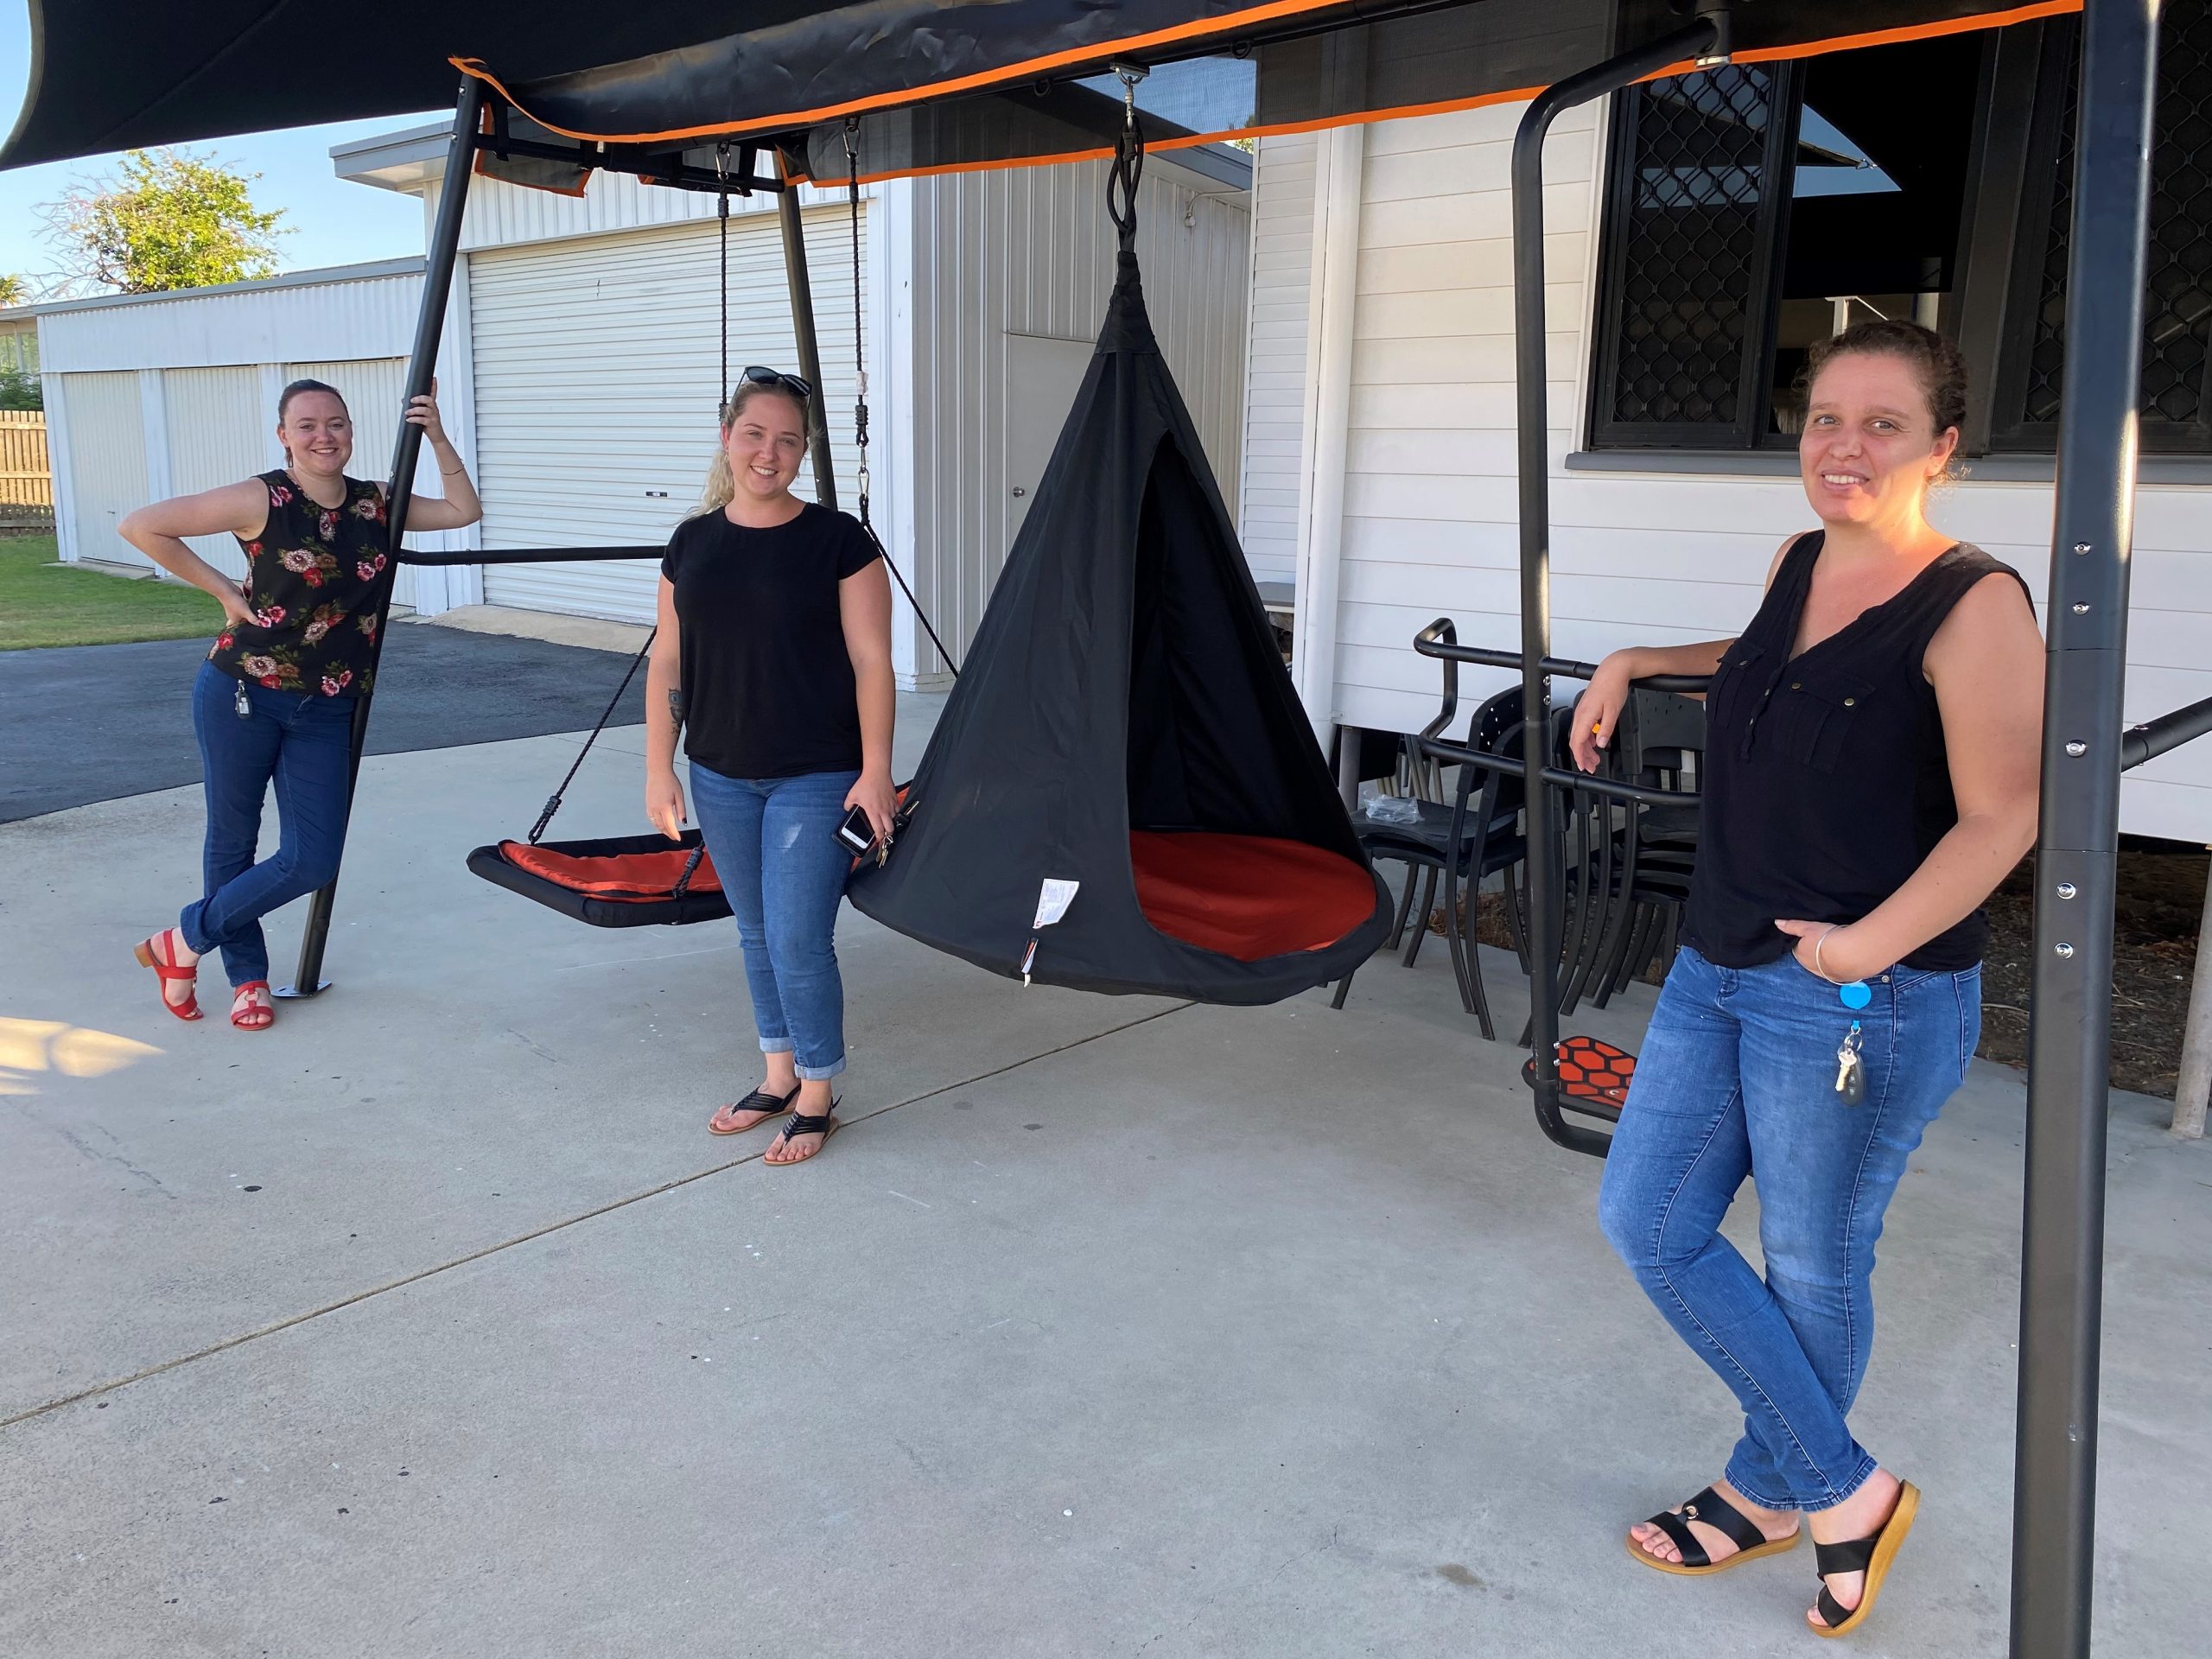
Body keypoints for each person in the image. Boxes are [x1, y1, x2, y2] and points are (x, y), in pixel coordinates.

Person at [1573, 321, 2042, 1638]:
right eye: (1827, 417)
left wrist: (1855, 948)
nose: (1845, 446)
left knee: (1812, 1263)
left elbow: (2004, 817)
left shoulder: (1976, 605)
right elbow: (1762, 663)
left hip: (1856, 998)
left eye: (1884, 424)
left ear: (1944, 447)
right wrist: (1634, 661)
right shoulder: (1799, 558)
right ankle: (1844, 1489)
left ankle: (1767, 1494)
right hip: (1718, 960)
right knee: (1649, 1221)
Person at [120, 380, 480, 1030]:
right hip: (242, 692)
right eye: (307, 425)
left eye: (336, 423)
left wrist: (435, 434)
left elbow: (462, 510)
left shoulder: (377, 502)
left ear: (352, 431)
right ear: (283, 435)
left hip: (328, 705)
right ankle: (248, 981)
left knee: (313, 857)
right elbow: (141, 525)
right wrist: (223, 590)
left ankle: (183, 942)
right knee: (233, 839)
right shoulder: (261, 498)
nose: (324, 436)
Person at [645, 367, 896, 1166]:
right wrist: (659, 767)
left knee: (796, 937)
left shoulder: (838, 541)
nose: (769, 452)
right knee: (754, 931)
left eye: (788, 440)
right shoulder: (691, 543)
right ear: (727, 437)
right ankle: (779, 1074)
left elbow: (873, 661)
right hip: (719, 771)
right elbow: (667, 663)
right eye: (754, 434)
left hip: (816, 773)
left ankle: (819, 1091)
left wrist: (877, 770)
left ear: (803, 452)